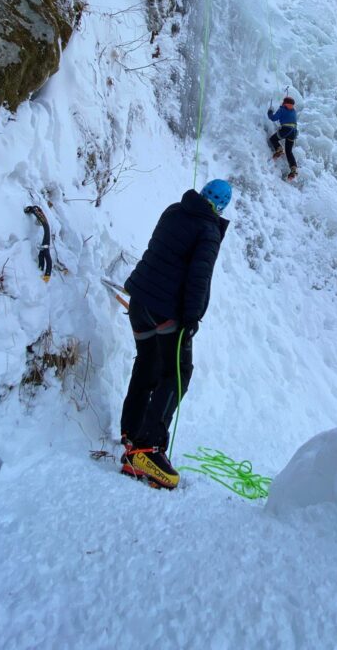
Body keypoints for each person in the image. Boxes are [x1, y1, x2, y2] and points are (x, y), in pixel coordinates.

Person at [119, 179, 231, 489]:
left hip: (140, 299)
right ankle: (148, 448)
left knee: (148, 363)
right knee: (178, 372)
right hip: (166, 310)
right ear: (221, 206)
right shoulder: (208, 231)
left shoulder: (174, 210)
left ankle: (131, 432)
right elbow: (199, 277)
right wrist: (192, 316)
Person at [268, 95, 299, 180]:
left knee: (273, 139)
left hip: (286, 130)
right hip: (293, 132)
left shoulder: (282, 109)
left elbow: (273, 118)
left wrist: (270, 112)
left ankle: (279, 149)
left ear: (285, 103)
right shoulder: (294, 111)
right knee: (289, 151)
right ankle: (293, 168)